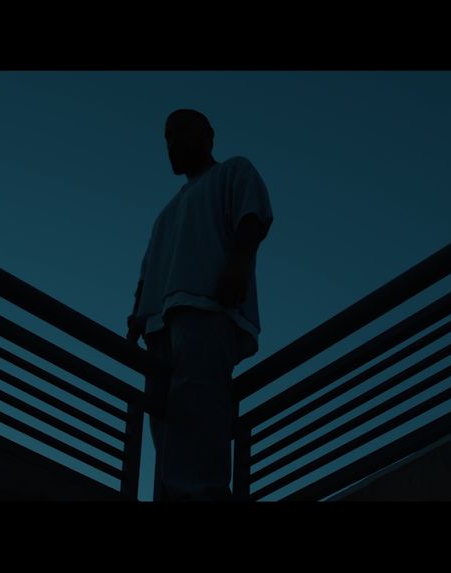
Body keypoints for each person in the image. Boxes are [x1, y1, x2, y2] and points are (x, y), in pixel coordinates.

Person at [126, 109, 274, 501]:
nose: (172, 142)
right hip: (160, 326)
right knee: (163, 417)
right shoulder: (166, 215)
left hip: (207, 308)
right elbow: (147, 272)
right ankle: (172, 495)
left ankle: (204, 495)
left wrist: (237, 268)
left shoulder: (233, 171)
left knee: (199, 406)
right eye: (167, 136)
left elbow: (252, 218)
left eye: (181, 132)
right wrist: (138, 317)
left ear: (208, 135)